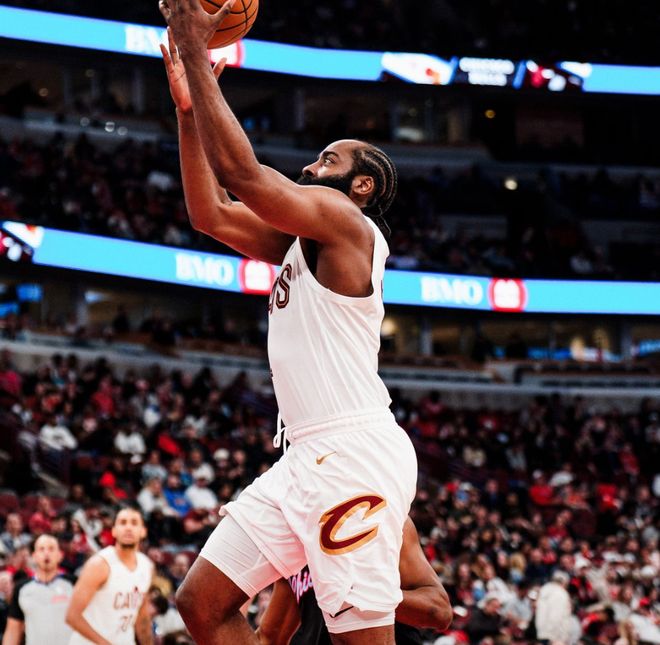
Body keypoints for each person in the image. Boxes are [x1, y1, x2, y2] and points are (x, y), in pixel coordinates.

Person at [158, 3, 414, 643]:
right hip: (302, 454)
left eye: (327, 161)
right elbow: (210, 213)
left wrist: (196, 50)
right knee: (202, 604)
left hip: (352, 454)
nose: (309, 167)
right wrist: (188, 114)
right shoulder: (303, 243)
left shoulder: (348, 224)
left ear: (361, 186)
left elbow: (243, 176)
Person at [256, 517, 452, 644]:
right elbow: (269, 636)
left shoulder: (385, 518)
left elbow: (440, 611)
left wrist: (360, 594)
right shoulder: (294, 537)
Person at [66, 506, 154, 645]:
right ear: (114, 531)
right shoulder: (99, 564)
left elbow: (142, 617)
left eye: (134, 523)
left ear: (143, 531)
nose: (128, 527)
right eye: (123, 523)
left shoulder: (147, 566)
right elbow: (72, 616)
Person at [2, 534, 74, 645]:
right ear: (34, 556)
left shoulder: (73, 584)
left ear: (60, 555)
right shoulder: (21, 589)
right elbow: (13, 630)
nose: (46, 553)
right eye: (41, 549)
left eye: (51, 549)